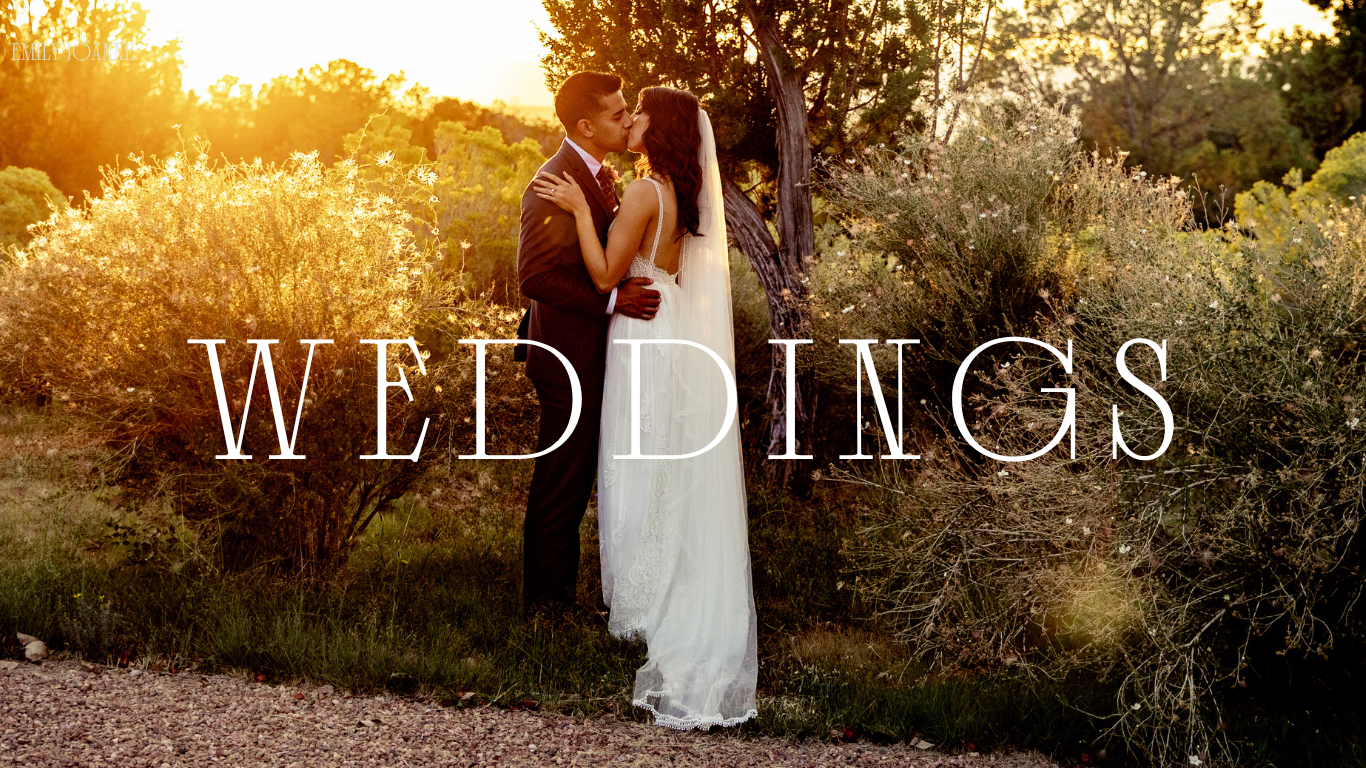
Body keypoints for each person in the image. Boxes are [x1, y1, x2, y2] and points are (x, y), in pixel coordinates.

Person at [532, 86, 759, 730]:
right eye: (622, 111)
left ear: (657, 130)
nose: (630, 119)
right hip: (669, 333)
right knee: (660, 464)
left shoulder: (639, 192)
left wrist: (579, 208)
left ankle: (639, 610)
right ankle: (657, 596)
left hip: (637, 336)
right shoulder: (680, 194)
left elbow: (606, 276)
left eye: (640, 114)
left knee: (634, 463)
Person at [515, 72, 662, 617]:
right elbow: (534, 277)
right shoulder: (551, 184)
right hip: (565, 357)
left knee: (576, 481)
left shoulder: (597, 175)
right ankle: (545, 609)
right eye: (616, 113)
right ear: (584, 125)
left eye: (628, 111)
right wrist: (611, 301)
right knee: (562, 482)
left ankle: (561, 598)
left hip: (592, 353)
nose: (626, 119)